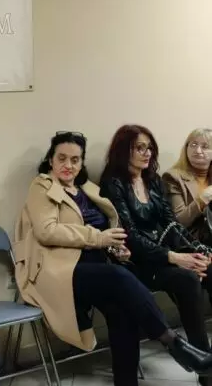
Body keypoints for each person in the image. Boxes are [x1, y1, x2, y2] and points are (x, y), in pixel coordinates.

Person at [14, 131, 212, 386]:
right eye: (61, 158)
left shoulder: (86, 189)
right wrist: (99, 239)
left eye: (75, 159)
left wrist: (117, 248)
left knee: (122, 309)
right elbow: (47, 230)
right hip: (61, 270)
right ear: (50, 160)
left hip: (96, 267)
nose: (68, 165)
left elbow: (113, 231)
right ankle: (172, 342)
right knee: (118, 275)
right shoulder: (41, 186)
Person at [100, 124, 212, 386]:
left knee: (206, 268)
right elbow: (130, 235)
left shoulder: (152, 179)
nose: (147, 153)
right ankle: (203, 364)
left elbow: (171, 224)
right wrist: (175, 258)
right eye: (139, 148)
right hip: (136, 261)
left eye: (149, 147)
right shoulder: (113, 183)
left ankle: (204, 364)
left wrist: (199, 253)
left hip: (162, 255)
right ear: (124, 150)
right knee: (187, 279)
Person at [163, 128, 212, 246]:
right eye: (193, 145)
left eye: (205, 146)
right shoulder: (172, 177)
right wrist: (202, 200)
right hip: (191, 244)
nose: (198, 150)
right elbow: (178, 223)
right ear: (186, 149)